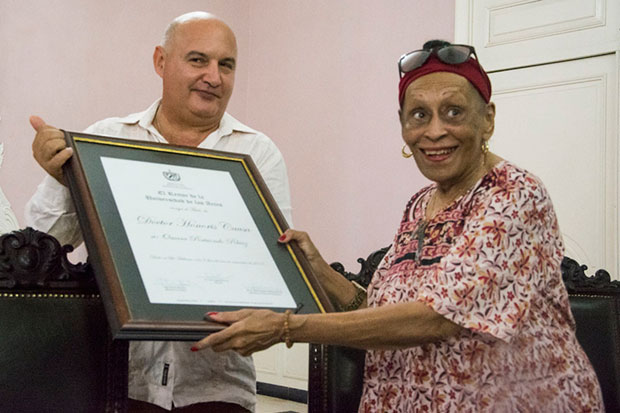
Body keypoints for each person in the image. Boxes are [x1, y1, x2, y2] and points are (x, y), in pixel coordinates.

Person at [194, 40, 604, 411]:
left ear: (488, 119)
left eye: (454, 112)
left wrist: (286, 327)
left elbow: (436, 317)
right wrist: (319, 271)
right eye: (419, 115)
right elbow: (380, 312)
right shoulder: (420, 204)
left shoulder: (514, 193)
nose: (435, 131)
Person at [25, 11, 292, 413]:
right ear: (160, 62)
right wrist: (62, 181)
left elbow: (272, 270)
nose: (214, 77)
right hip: (115, 379)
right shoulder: (105, 140)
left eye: (227, 65)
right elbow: (41, 248)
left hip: (216, 388)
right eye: (198, 59)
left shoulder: (258, 155)